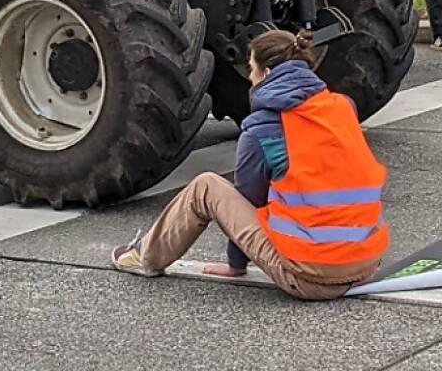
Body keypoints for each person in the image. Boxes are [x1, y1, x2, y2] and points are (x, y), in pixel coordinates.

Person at [110, 30, 388, 300]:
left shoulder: (262, 128)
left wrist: (236, 264)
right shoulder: (342, 107)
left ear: (266, 73)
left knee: (205, 187)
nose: (249, 78)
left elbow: (248, 197)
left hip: (311, 279)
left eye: (251, 69)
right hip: (366, 266)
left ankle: (145, 257)